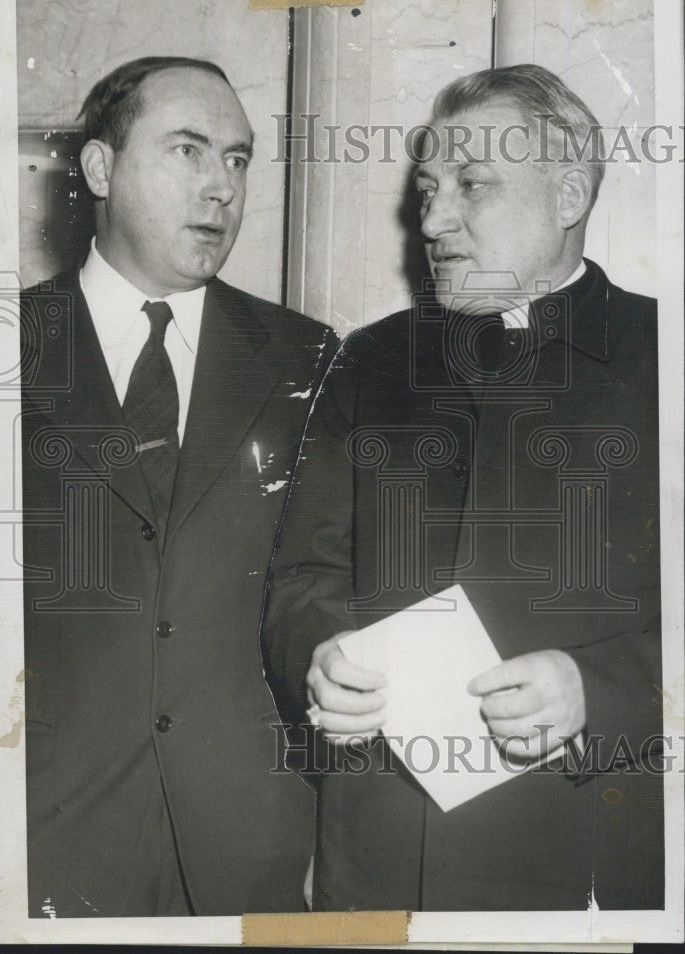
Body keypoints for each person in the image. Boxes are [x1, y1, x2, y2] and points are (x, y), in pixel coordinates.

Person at [263, 64, 663, 911]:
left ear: (566, 196)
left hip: (584, 861)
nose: (435, 221)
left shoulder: (660, 356)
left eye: (472, 185)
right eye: (428, 189)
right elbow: (302, 577)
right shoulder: (371, 361)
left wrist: (605, 691)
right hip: (375, 858)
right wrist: (319, 657)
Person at [21, 56, 337, 917]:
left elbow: (323, 584)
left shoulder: (310, 358)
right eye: (189, 151)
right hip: (44, 844)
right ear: (98, 169)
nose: (221, 188)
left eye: (236, 160)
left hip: (254, 849)